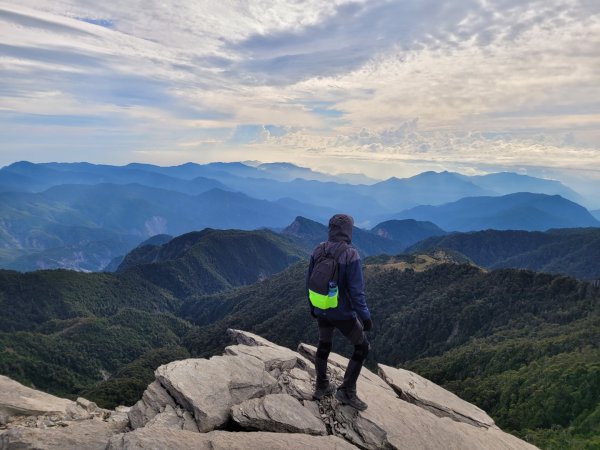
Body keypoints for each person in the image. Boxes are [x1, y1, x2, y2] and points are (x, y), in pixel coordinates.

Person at [306, 213, 372, 411]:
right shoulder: (350, 254)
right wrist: (366, 317)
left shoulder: (318, 250)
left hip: (321, 308)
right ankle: (346, 391)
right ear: (348, 230)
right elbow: (356, 292)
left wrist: (313, 308)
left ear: (331, 229)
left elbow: (308, 281)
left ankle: (321, 386)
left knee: (324, 343)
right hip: (342, 313)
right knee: (362, 347)